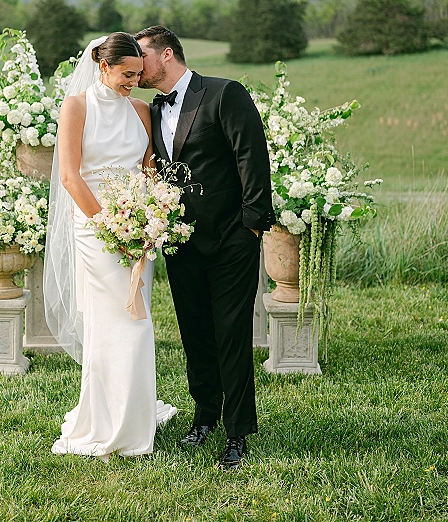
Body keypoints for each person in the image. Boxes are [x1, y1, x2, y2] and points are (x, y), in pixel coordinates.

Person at [135, 25, 275, 470]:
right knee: (196, 334)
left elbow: (252, 158)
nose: (137, 66)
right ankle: (204, 417)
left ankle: (237, 434)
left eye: (142, 56)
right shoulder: (151, 111)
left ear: (168, 54)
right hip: (181, 242)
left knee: (231, 336)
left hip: (232, 240)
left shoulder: (223, 93)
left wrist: (251, 228)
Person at [44, 33, 176, 461]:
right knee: (122, 323)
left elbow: (149, 169)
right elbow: (69, 177)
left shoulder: (140, 111)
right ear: (103, 66)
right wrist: (109, 226)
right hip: (95, 228)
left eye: (139, 74)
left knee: (135, 316)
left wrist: (151, 216)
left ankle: (131, 414)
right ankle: (112, 423)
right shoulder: (76, 107)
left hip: (137, 228)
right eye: (126, 74)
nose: (134, 83)